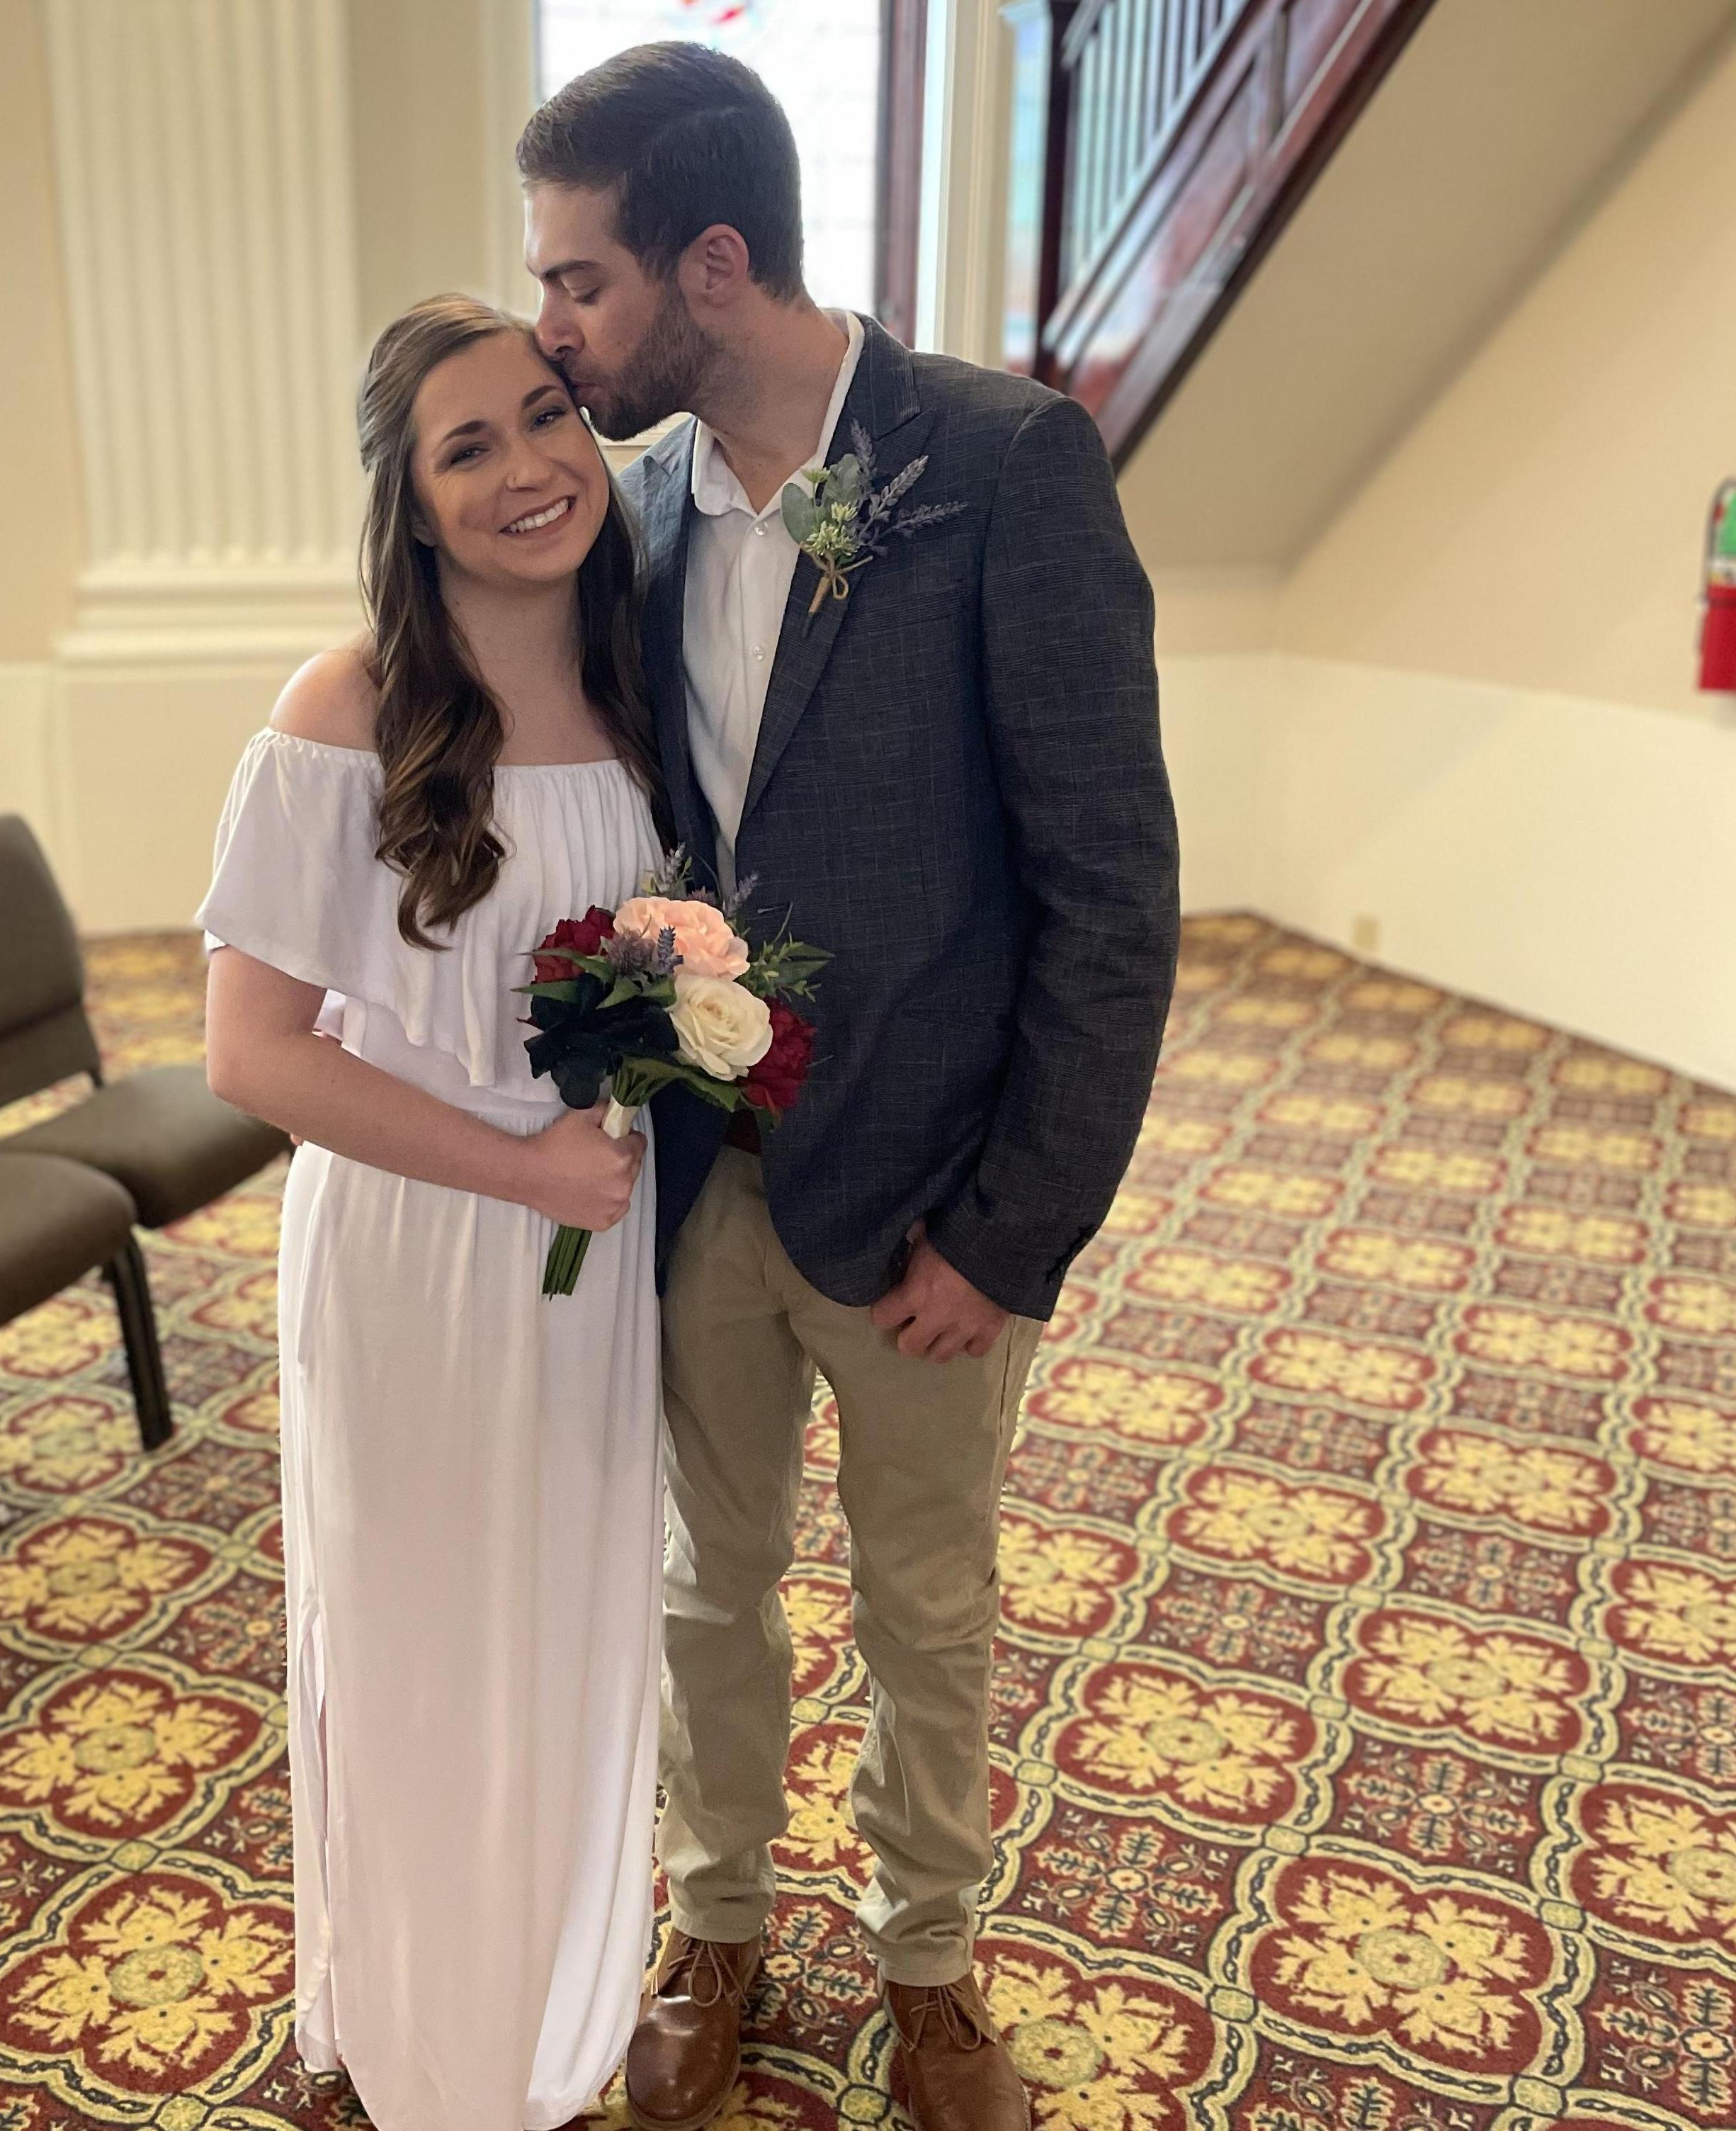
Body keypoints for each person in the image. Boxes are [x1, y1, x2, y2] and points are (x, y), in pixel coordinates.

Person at [518, 45, 1181, 2131]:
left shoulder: (1004, 463)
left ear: (711, 264)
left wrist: (1014, 1228)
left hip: (925, 1196)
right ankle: (717, 1920)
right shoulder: (633, 506)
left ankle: (931, 1965)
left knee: (928, 1603)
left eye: (580, 281)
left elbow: (1111, 891)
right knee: (704, 1581)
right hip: (699, 1165)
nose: (554, 330)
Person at [198, 295, 670, 2131]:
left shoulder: (641, 683)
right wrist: (526, 1170)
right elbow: (251, 1053)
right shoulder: (345, 711)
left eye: (546, 415)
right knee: (421, 1643)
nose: (527, 468)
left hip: (598, 1254)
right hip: (420, 1246)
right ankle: (428, 2047)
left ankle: (544, 2009)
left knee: (568, 1625)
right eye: (467, 447)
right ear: (407, 502)